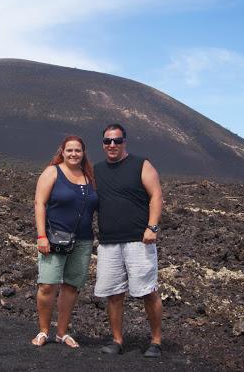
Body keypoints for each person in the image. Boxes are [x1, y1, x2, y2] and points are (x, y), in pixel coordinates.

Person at [93, 123, 164, 358]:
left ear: (125, 141)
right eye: (107, 141)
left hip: (138, 240)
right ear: (103, 144)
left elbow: (156, 196)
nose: (112, 145)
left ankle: (155, 341)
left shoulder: (141, 165)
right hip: (108, 241)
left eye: (117, 140)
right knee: (113, 294)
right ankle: (116, 340)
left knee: (148, 290)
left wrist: (152, 227)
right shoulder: (97, 170)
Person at [31, 135, 98, 348]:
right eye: (69, 150)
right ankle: (43, 331)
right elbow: (39, 203)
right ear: (62, 151)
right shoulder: (53, 172)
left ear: (83, 152)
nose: (73, 154)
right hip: (54, 238)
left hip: (83, 241)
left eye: (77, 150)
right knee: (48, 284)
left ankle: (61, 332)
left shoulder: (89, 176)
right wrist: (41, 236)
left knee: (71, 287)